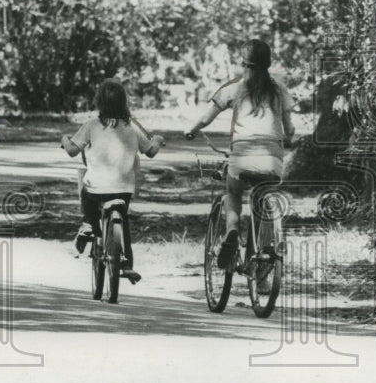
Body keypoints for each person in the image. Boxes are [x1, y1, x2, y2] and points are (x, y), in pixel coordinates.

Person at [185, 39, 295, 269]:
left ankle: (232, 231)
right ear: (269, 63)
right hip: (272, 156)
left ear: (244, 63)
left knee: (233, 192)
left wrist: (192, 130)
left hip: (242, 154)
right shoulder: (279, 89)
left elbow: (205, 118)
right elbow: (289, 128)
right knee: (262, 197)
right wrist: (289, 138)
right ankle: (262, 255)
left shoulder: (234, 88)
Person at [62, 78, 165, 283]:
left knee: (86, 188)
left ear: (99, 102)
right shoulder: (132, 125)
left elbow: (73, 150)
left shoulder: (91, 125)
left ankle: (88, 224)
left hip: (96, 188)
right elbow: (151, 151)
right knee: (123, 221)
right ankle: (126, 265)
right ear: (124, 102)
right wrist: (158, 140)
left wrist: (64, 139)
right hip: (123, 190)